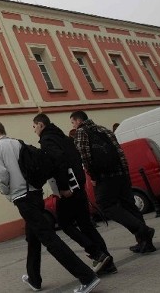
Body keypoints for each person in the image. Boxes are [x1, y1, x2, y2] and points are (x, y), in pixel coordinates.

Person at [0, 121, 100, 293]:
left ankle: (87, 277)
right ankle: (34, 278)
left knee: (49, 239)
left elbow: (0, 175)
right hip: (35, 194)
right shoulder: (18, 143)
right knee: (33, 238)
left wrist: (6, 192)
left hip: (22, 197)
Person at [33, 113, 116, 275]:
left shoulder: (47, 140)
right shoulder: (64, 137)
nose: (34, 129)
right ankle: (108, 261)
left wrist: (64, 187)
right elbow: (77, 160)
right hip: (79, 187)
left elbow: (59, 161)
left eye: (34, 126)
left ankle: (96, 254)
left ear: (41, 125)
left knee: (65, 223)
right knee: (86, 225)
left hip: (68, 190)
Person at [70, 110, 156, 254]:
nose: (73, 125)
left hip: (104, 176)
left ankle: (143, 230)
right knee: (130, 206)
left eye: (73, 122)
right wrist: (125, 173)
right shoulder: (104, 129)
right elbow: (119, 152)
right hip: (121, 174)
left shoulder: (81, 132)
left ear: (78, 121)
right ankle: (145, 243)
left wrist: (93, 177)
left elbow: (85, 157)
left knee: (106, 205)